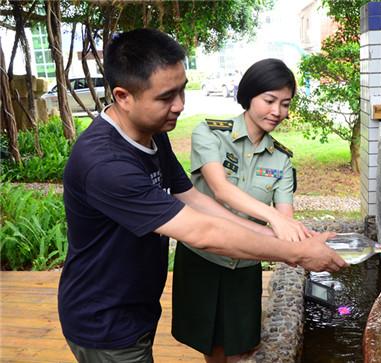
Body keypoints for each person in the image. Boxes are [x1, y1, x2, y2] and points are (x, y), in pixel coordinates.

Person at [58, 29, 346, 363]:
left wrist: (284, 237)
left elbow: (192, 198)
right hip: (103, 319)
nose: (180, 105)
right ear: (123, 96)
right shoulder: (106, 165)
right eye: (167, 97)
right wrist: (296, 255)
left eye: (181, 90)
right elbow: (203, 233)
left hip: (134, 306)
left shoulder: (151, 134)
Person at [171, 58, 309, 363]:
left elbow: (284, 219)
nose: (277, 112)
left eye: (285, 104)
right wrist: (271, 216)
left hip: (245, 266)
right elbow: (220, 189)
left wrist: (307, 243)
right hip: (203, 256)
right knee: (211, 345)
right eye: (269, 100)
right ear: (249, 96)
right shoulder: (210, 134)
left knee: (242, 347)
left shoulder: (282, 160)